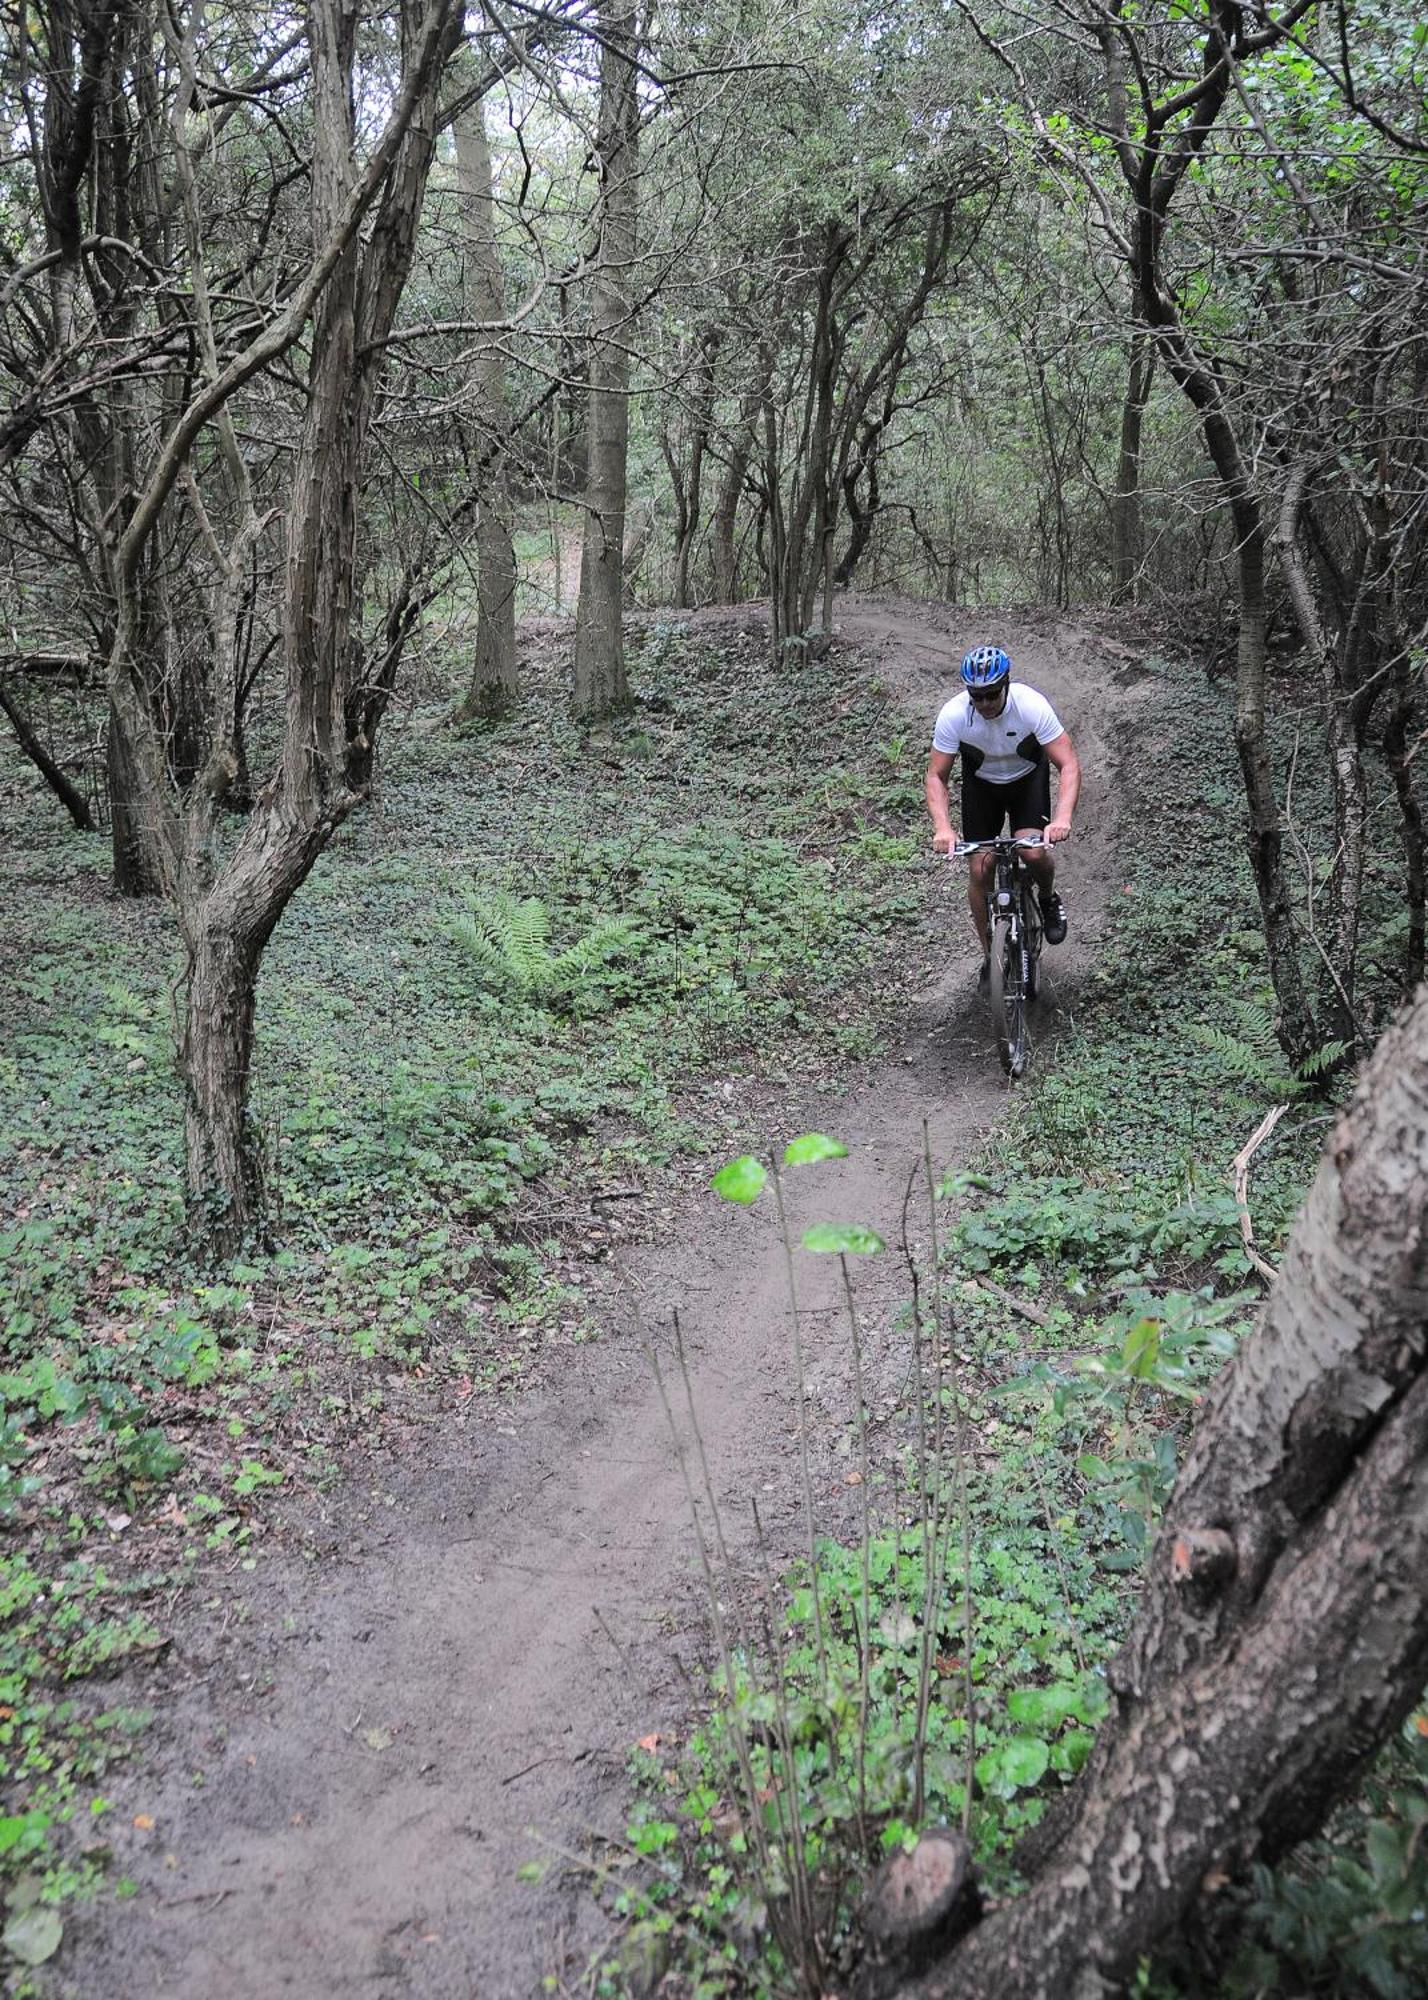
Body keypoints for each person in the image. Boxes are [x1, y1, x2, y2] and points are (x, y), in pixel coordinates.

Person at [924, 644, 1081, 990]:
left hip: (1027, 781)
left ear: (1006, 684)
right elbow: (936, 776)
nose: (985, 704)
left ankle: (1047, 897)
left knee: (1033, 852)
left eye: (992, 694)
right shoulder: (953, 716)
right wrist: (943, 827)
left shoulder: (1030, 706)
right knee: (981, 868)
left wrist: (1062, 819)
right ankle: (989, 958)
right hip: (982, 789)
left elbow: (1067, 763)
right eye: (977, 696)